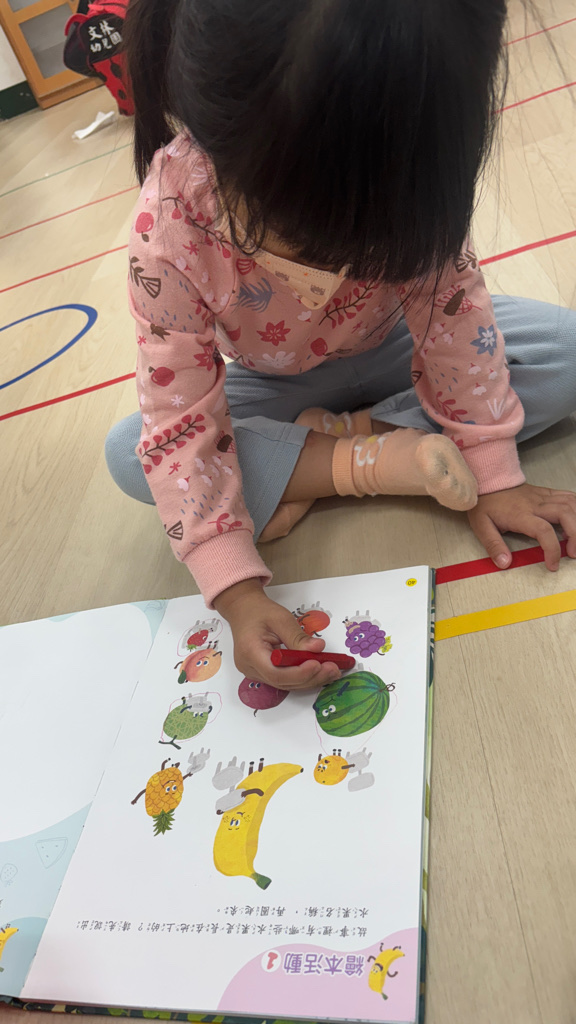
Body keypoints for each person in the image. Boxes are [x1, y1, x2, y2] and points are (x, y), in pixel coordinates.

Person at [106, 0, 576, 689]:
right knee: (132, 454)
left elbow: (455, 327)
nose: (342, 261)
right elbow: (178, 419)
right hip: (278, 382)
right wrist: (235, 590)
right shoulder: (169, 226)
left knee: (566, 349)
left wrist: (494, 473)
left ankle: (322, 452)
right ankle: (373, 456)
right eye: (304, 232)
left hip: (398, 349)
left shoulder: (412, 158)